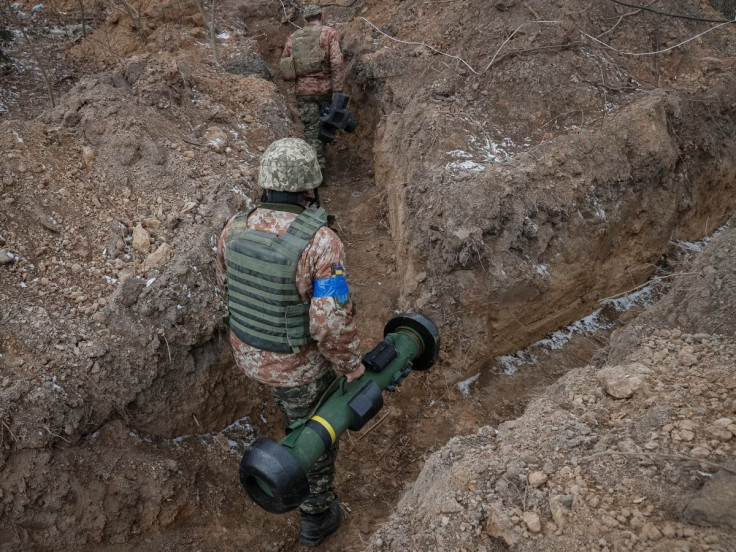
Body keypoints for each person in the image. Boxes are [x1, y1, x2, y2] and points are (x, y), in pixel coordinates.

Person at [216, 137, 365, 547]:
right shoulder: (320, 242)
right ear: (310, 187)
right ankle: (316, 517)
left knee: (289, 403)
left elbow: (226, 285)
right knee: (313, 433)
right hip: (295, 368)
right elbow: (330, 324)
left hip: (246, 352)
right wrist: (351, 366)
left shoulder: (235, 228)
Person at [280, 4, 345, 177]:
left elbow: (286, 64)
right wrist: (338, 90)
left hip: (303, 91)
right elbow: (337, 63)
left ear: (304, 20)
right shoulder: (329, 33)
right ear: (321, 17)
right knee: (324, 124)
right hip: (325, 89)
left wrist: (292, 89)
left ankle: (315, 168)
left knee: (311, 129)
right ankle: (320, 167)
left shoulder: (293, 37)